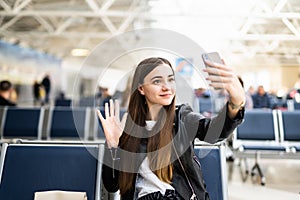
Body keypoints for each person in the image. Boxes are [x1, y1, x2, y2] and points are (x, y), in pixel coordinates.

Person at [97, 57, 245, 200]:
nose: (166, 87)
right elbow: (112, 185)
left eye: (170, 79)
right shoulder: (127, 129)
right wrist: (113, 145)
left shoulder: (183, 119)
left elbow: (214, 132)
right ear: (141, 88)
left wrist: (235, 103)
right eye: (157, 81)